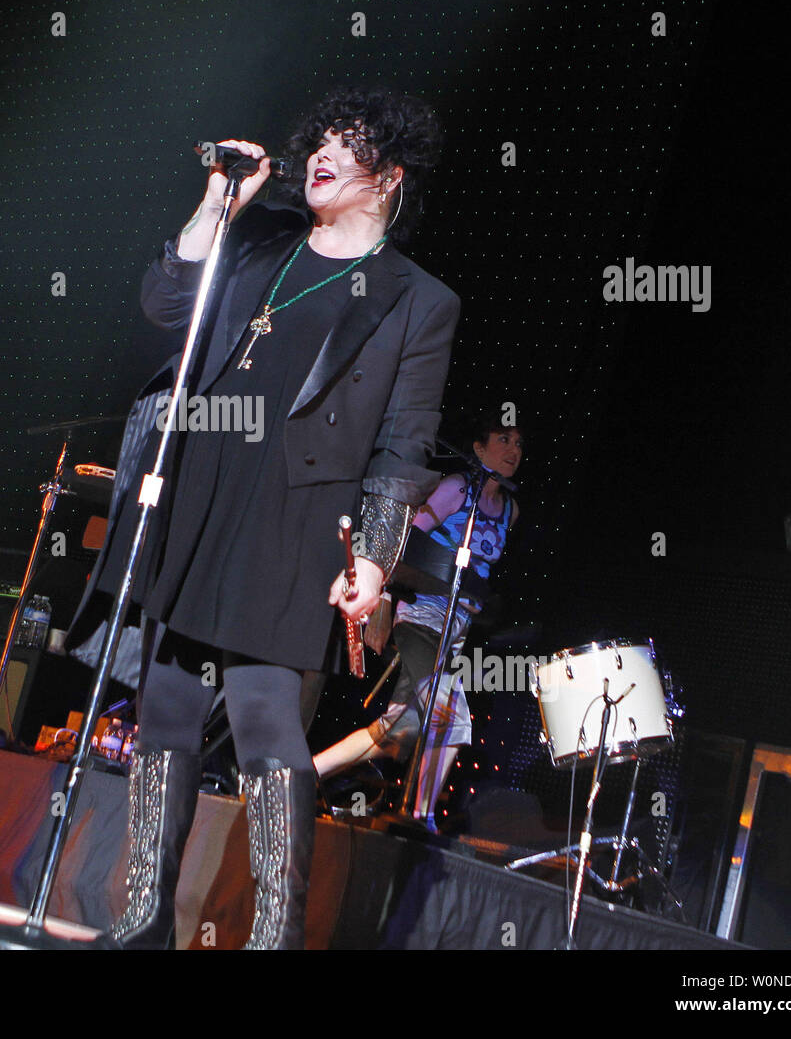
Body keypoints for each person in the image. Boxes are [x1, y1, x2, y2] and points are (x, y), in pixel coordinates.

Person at [73, 88, 460, 948]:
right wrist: (220, 200)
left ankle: (274, 939)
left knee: (262, 718)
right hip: (200, 485)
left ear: (389, 176)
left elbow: (405, 442)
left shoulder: (417, 299)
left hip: (300, 514)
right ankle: (141, 921)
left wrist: (377, 556)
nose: (322, 152)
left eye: (349, 144)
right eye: (319, 137)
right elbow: (166, 306)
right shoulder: (260, 244)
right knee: (166, 704)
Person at [312, 414, 522, 829]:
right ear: (479, 449)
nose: (513, 451)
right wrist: (385, 596)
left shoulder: (510, 511)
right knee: (452, 719)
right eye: (503, 439)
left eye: (518, 443)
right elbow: (404, 541)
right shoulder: (456, 489)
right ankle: (418, 816)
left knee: (395, 733)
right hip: (420, 619)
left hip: (453, 635)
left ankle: (300, 774)